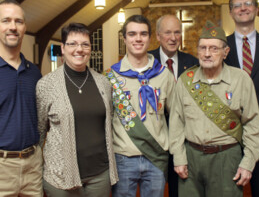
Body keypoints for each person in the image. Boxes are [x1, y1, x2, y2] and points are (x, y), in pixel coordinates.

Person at [169, 20, 259, 197]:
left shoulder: (241, 80)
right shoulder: (185, 80)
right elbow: (176, 124)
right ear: (197, 51)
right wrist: (179, 158)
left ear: (225, 52)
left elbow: (253, 125)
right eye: (202, 48)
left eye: (214, 48)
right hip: (191, 158)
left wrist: (248, 163)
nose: (207, 54)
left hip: (227, 158)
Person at [36, 23, 118, 197]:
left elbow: (109, 123)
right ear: (63, 48)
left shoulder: (103, 83)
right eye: (72, 44)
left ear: (90, 49)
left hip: (99, 175)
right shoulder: (46, 84)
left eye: (85, 44)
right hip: (60, 176)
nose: (79, 49)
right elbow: (40, 131)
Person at [104, 15, 175, 197]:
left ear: (150, 38)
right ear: (124, 38)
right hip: (123, 158)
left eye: (143, 34)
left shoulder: (163, 75)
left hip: (156, 157)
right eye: (132, 34)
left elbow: (176, 117)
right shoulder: (111, 77)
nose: (138, 39)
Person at [225, 0, 259, 197]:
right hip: (229, 137)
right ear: (231, 12)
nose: (243, 8)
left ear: (256, 9)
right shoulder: (219, 47)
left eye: (248, 3)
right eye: (237, 5)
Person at [149, 14, 198, 197]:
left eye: (177, 32)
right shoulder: (147, 62)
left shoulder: (193, 63)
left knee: (181, 190)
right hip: (156, 140)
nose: (173, 37)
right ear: (158, 35)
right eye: (167, 32)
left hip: (184, 141)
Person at [0, 0, 43, 197]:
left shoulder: (33, 72)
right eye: (6, 21)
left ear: (25, 27)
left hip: (33, 166)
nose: (12, 27)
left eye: (18, 21)